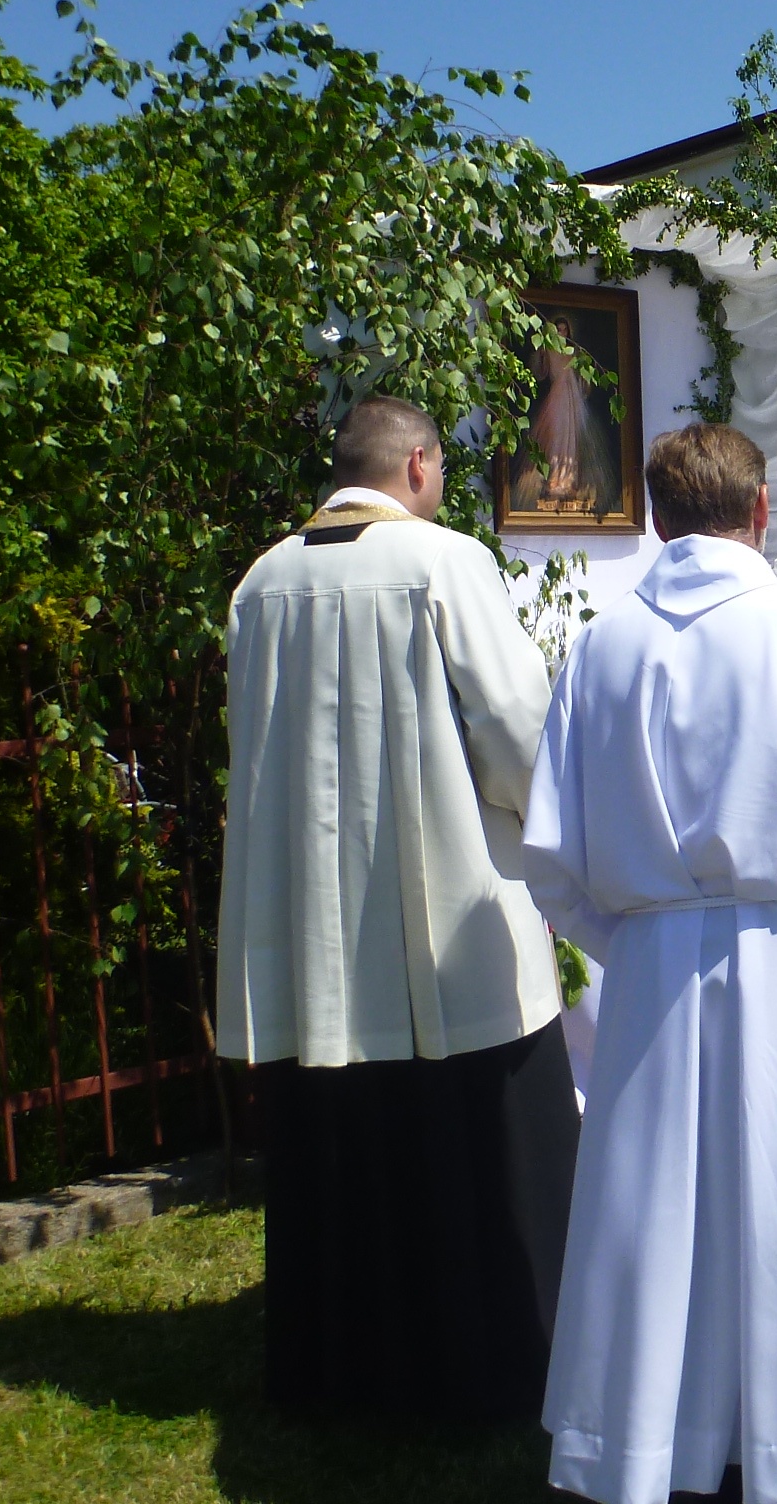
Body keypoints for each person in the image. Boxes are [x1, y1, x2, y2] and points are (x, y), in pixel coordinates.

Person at [518, 422, 777, 1503]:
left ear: (659, 521)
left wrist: (642, 944)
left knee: (657, 1221)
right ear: (760, 511)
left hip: (653, 975)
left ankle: (657, 1448)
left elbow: (551, 860)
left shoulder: (598, 647)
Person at [217, 393, 579, 1422]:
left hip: (312, 929)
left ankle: (342, 1370)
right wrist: (551, 827)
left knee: (342, 1145)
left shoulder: (262, 581)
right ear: (418, 464)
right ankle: (496, 1362)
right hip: (443, 919)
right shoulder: (443, 562)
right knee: (479, 1143)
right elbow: (516, 725)